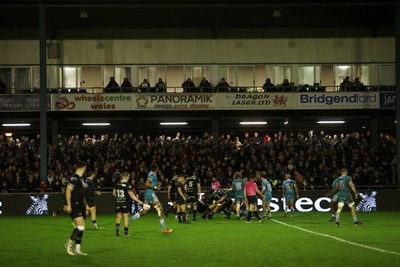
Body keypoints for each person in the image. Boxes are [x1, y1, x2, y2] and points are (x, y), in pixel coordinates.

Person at [128, 163, 173, 234]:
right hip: (151, 194)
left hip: (147, 194)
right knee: (160, 209)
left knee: (144, 211)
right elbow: (147, 183)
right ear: (157, 169)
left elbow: (151, 182)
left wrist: (157, 184)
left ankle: (129, 221)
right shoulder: (152, 175)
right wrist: (155, 187)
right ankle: (163, 228)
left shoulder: (152, 174)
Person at [64, 161, 89, 256]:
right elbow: (68, 190)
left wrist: (86, 205)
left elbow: (81, 193)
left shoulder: (80, 178)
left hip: (80, 205)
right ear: (84, 167)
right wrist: (69, 205)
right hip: (74, 205)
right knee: (81, 226)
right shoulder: (74, 177)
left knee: (82, 227)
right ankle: (68, 244)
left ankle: (77, 249)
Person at [113, 172, 144, 237]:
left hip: (118, 202)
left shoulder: (117, 184)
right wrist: (139, 201)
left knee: (118, 216)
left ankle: (117, 232)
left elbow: (114, 193)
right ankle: (126, 233)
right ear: (127, 177)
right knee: (126, 217)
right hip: (125, 203)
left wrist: (119, 197)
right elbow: (131, 195)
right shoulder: (128, 185)